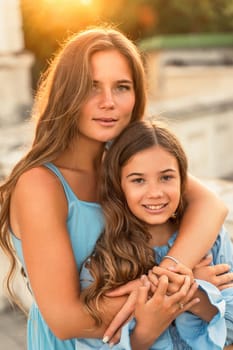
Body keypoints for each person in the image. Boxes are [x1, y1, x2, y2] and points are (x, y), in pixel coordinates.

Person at [0, 26, 229, 350]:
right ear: (67, 93)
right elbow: (66, 320)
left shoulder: (124, 164)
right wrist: (185, 291)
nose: (108, 102)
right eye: (91, 87)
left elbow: (212, 206)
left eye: (122, 87)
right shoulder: (41, 184)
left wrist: (170, 272)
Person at [78, 120, 233, 349]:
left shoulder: (211, 239)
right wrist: (148, 328)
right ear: (119, 186)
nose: (155, 193)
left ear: (182, 180)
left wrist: (196, 295)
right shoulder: (101, 264)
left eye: (166, 177)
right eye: (138, 180)